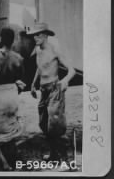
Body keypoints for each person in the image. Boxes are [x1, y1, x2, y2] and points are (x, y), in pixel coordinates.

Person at [28, 22, 75, 162]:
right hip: (43, 90)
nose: (35, 37)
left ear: (46, 35)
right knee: (43, 124)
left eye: (38, 34)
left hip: (55, 89)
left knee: (56, 126)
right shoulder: (38, 49)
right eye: (33, 35)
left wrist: (65, 81)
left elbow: (71, 70)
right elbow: (40, 67)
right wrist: (33, 83)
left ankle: (67, 161)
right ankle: (54, 155)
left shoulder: (55, 50)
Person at [0, 27, 26, 170]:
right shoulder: (18, 58)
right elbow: (20, 76)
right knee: (10, 127)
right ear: (13, 41)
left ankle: (4, 163)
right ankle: (13, 157)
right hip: (12, 93)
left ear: (0, 39)